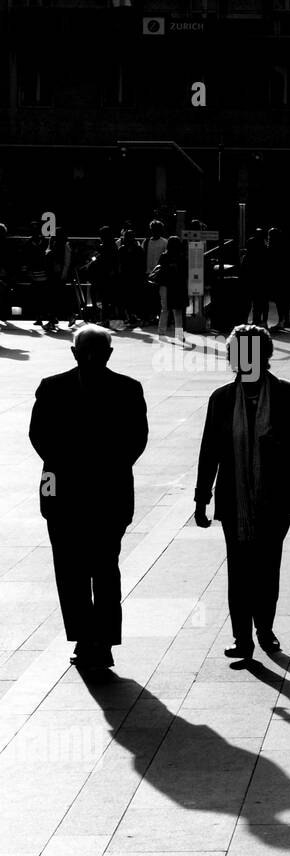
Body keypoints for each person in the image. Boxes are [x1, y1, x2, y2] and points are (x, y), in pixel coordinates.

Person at [29, 325, 149, 668]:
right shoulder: (56, 388)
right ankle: (93, 637)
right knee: (93, 570)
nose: (94, 358)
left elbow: (41, 439)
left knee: (87, 570)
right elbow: (134, 441)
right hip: (80, 495)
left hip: (94, 495)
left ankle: (93, 638)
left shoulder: (122, 389)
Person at [194, 325, 290, 660]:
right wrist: (201, 498)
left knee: (266, 567)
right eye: (236, 353)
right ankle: (242, 638)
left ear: (263, 357)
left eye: (244, 352)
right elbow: (210, 452)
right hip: (234, 500)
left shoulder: (286, 395)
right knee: (239, 569)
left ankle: (264, 629)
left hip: (274, 499)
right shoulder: (221, 399)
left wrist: (284, 440)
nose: (238, 359)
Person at [151, 235, 187, 337]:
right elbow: (184, 273)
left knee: (165, 309)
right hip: (178, 286)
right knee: (177, 311)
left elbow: (160, 270)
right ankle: (179, 334)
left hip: (165, 285)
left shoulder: (164, 256)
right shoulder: (181, 257)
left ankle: (161, 332)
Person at [267, 228, 290, 331]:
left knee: (281, 300)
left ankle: (282, 321)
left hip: (279, 277)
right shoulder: (287, 246)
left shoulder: (272, 247)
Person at [41, 230, 72, 332]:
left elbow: (64, 263)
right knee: (57, 298)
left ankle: (54, 320)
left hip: (56, 277)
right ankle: (58, 318)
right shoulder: (61, 246)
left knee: (54, 298)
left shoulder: (60, 247)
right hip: (56, 276)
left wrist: (63, 274)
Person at [117, 226, 145, 326]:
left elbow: (119, 264)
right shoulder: (138, 249)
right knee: (133, 297)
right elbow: (142, 264)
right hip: (134, 277)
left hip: (127, 277)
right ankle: (133, 316)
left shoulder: (122, 249)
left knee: (127, 297)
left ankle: (129, 316)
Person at [241, 229, 270, 326]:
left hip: (249, 280)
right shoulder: (265, 253)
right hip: (261, 280)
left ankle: (244, 320)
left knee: (247, 302)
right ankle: (256, 321)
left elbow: (243, 269)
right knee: (259, 303)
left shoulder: (247, 256)